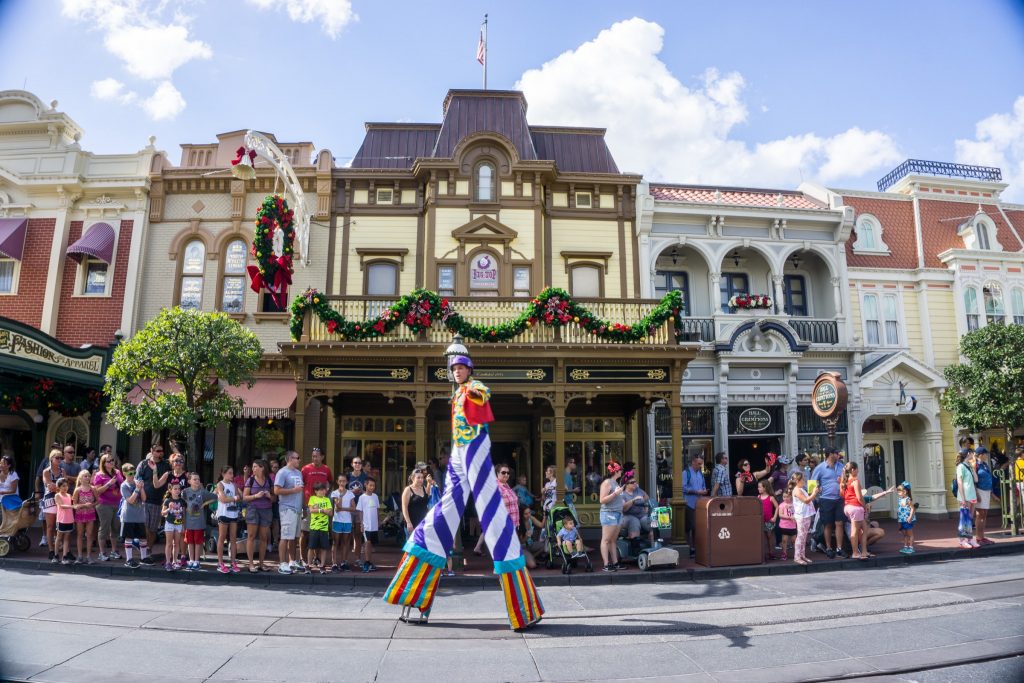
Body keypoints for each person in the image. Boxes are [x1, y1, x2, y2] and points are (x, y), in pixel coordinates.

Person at [384, 349, 543, 631]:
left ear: (469, 370)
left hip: (475, 447)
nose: (457, 371)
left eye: (461, 367)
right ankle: (415, 593)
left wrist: (475, 393)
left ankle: (524, 607)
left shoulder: (472, 387)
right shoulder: (456, 393)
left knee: (491, 512)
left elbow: (483, 394)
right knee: (446, 508)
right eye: (454, 368)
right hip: (460, 449)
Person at [474, 464, 520, 556]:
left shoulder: (506, 486)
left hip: (512, 522)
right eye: (503, 472)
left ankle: (501, 567)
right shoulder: (496, 487)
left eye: (508, 473)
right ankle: (499, 568)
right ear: (497, 473)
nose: (506, 475)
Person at [135, 442, 170, 563]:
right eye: (158, 451)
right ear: (152, 451)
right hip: (144, 499)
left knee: (153, 528)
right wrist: (141, 491)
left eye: (162, 451)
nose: (160, 453)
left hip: (157, 501)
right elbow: (137, 478)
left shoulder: (165, 465)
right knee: (144, 525)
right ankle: (143, 549)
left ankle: (148, 548)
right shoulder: (143, 464)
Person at [810, 448, 847, 559]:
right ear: (830, 455)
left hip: (840, 499)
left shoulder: (841, 466)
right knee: (828, 524)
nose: (838, 455)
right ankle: (829, 548)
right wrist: (817, 494)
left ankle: (839, 549)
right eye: (836, 453)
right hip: (826, 499)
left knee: (840, 523)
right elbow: (811, 484)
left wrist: (843, 481)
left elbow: (847, 480)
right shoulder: (820, 468)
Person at [300, 447, 332, 567]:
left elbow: (331, 482)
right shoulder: (305, 469)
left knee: (319, 533)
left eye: (317, 456)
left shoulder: (326, 469)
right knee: (305, 533)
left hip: (322, 507)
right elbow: (301, 485)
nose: (315, 458)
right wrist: (303, 504)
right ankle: (302, 558)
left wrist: (326, 495)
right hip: (309, 505)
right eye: (313, 456)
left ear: (322, 457)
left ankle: (317, 558)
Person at [274, 450, 304, 574]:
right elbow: (276, 490)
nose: (299, 460)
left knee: (294, 537)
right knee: (285, 536)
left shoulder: (298, 473)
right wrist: (293, 490)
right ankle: (282, 563)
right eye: (297, 458)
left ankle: (292, 561)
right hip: (287, 508)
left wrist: (303, 507)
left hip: (297, 509)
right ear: (290, 459)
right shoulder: (282, 472)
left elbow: (300, 491)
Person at [242, 459, 274, 572]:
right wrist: (256, 496)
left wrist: (269, 496)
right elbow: (245, 497)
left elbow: (275, 498)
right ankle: (251, 564)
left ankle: (261, 563)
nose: (253, 469)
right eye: (253, 466)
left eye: (256, 467)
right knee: (251, 536)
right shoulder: (250, 480)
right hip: (253, 510)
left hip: (266, 510)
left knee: (264, 537)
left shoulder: (269, 481)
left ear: (262, 468)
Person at [91, 453, 122, 561]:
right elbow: (97, 491)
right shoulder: (99, 475)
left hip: (117, 503)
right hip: (104, 504)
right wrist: (109, 484)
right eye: (109, 461)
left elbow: (122, 485)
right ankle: (102, 553)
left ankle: (114, 551)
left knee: (115, 528)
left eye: (112, 460)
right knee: (104, 528)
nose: (112, 462)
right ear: (103, 464)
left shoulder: (117, 472)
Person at [183, 472, 216, 571]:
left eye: (198, 479)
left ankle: (197, 561)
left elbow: (215, 497)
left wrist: (204, 503)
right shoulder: (185, 491)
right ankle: (191, 560)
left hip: (199, 522)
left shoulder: (203, 491)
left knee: (198, 542)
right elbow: (182, 501)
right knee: (190, 542)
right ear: (189, 481)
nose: (197, 481)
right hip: (189, 522)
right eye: (194, 479)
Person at [119, 463, 148, 568]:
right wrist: (137, 489)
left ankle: (144, 558)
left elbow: (144, 499)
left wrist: (142, 488)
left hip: (139, 515)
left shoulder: (137, 483)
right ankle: (129, 559)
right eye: (130, 473)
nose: (132, 475)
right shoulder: (124, 485)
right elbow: (130, 500)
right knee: (129, 538)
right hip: (129, 516)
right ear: (124, 473)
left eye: (134, 473)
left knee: (143, 538)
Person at [598, 461, 625, 572]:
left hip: (617, 513)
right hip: (609, 513)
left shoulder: (615, 483)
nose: (622, 472)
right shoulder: (607, 483)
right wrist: (615, 494)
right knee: (606, 540)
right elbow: (602, 500)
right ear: (616, 471)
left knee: (613, 540)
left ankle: (615, 562)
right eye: (620, 470)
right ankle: (606, 564)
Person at [214, 466, 241, 573]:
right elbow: (223, 499)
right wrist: (234, 498)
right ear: (223, 474)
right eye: (229, 473)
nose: (232, 475)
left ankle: (233, 562)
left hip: (233, 514)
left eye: (232, 473)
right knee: (222, 537)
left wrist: (235, 497)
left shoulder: (234, 484)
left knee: (233, 539)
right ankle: (220, 563)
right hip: (223, 514)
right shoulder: (220, 484)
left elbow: (240, 496)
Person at [840, 462, 868, 560]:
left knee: (865, 529)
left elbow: (842, 495)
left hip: (848, 507)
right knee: (855, 531)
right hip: (856, 507)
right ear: (853, 470)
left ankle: (864, 551)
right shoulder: (855, 481)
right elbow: (859, 497)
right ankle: (855, 552)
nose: (858, 471)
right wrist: (865, 507)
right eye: (857, 469)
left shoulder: (844, 481)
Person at [790, 473, 818, 565]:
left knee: (804, 536)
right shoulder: (797, 490)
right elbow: (806, 500)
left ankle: (802, 555)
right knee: (800, 536)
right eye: (803, 479)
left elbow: (807, 499)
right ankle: (797, 557)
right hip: (801, 516)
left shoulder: (800, 489)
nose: (804, 481)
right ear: (797, 481)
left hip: (805, 515)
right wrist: (814, 493)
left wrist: (813, 492)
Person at [683, 455, 708, 559]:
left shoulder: (700, 474)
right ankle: (689, 548)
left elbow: (703, 486)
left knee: (697, 528)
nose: (700, 466)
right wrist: (696, 491)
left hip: (699, 504)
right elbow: (683, 487)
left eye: (701, 464)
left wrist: (704, 490)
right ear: (693, 462)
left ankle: (696, 547)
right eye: (698, 464)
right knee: (689, 527)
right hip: (689, 503)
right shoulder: (686, 473)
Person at [41, 450, 63, 562]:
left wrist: (57, 487)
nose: (59, 460)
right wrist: (58, 487)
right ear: (51, 458)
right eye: (57, 458)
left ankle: (58, 548)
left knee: (60, 526)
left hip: (61, 500)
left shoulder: (62, 471)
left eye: (61, 458)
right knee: (50, 526)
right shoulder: (46, 471)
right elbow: (49, 486)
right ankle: (51, 550)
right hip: (50, 500)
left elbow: (65, 486)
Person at [330, 474, 356, 571]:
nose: (342, 483)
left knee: (345, 542)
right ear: (337, 482)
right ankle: (334, 563)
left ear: (347, 482)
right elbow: (337, 507)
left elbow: (353, 508)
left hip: (347, 521)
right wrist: (340, 495)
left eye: (344, 481)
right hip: (337, 520)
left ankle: (344, 562)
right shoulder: (334, 493)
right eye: (340, 481)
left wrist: (344, 509)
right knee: (335, 542)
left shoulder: (350, 494)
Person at [306, 481, 332, 574]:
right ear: (316, 491)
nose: (322, 491)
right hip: (314, 527)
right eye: (320, 490)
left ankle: (322, 565)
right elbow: (311, 510)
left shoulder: (327, 500)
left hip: (324, 528)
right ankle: (309, 565)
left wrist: (318, 510)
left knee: (324, 548)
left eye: (324, 490)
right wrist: (322, 510)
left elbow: (330, 512)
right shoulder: (312, 498)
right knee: (311, 547)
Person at [72, 470, 97, 564]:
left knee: (90, 534)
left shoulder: (93, 488)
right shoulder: (77, 489)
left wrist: (92, 505)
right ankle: (80, 556)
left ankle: (89, 556)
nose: (87, 478)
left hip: (90, 513)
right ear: (80, 478)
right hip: (80, 513)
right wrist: (83, 505)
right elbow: (74, 504)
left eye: (88, 476)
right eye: (85, 476)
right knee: (80, 534)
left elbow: (98, 501)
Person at [955, 449, 979, 549]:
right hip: (965, 495)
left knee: (970, 519)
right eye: (972, 453)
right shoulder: (960, 466)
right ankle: (962, 540)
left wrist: (973, 467)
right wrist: (963, 498)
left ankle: (969, 538)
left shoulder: (969, 465)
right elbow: (959, 482)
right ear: (968, 454)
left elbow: (976, 479)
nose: (973, 455)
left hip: (972, 494)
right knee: (964, 518)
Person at [356, 477, 380, 572]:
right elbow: (360, 511)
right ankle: (366, 562)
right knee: (367, 543)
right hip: (366, 525)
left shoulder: (375, 496)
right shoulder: (362, 497)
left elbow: (377, 509)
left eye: (373, 486)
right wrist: (361, 523)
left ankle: (369, 562)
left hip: (374, 525)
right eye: (370, 485)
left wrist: (378, 521)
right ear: (366, 485)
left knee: (371, 545)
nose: (372, 487)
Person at [974, 447, 996, 545]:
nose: (987, 455)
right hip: (979, 490)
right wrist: (976, 493)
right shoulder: (975, 465)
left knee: (984, 514)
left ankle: (982, 536)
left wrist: (992, 493)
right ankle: (978, 537)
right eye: (985, 454)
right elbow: (973, 480)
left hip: (986, 491)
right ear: (980, 455)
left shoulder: (985, 465)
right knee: (980, 515)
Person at [161, 482, 185, 571]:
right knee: (169, 543)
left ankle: (175, 561)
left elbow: (184, 513)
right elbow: (162, 513)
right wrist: (169, 509)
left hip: (178, 524)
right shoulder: (167, 500)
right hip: (169, 523)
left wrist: (183, 525)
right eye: (175, 489)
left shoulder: (182, 501)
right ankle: (168, 562)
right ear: (170, 490)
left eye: (179, 489)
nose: (177, 491)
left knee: (176, 543)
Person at [401, 469, 429, 541]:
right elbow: (404, 507)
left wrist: (430, 483)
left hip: (423, 523)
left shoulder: (424, 489)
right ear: (413, 478)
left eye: (422, 478)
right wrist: (408, 522)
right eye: (418, 478)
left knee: (421, 547)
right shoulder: (408, 489)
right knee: (412, 547)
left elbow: (430, 502)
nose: (421, 480)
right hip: (412, 522)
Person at [54, 477, 75, 565]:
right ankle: (55, 556)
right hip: (61, 520)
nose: (65, 488)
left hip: (70, 520)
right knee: (59, 538)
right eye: (63, 486)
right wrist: (73, 506)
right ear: (59, 487)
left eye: (66, 486)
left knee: (66, 538)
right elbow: (62, 506)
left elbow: (74, 504)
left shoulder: (69, 495)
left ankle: (65, 557)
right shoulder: (57, 495)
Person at [757, 480, 779, 561]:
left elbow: (777, 507)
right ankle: (765, 553)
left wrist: (775, 517)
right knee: (763, 538)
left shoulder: (771, 497)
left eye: (760, 487)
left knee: (770, 537)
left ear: (765, 488)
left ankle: (771, 553)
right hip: (761, 521)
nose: (758, 488)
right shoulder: (758, 497)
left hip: (769, 521)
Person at [777, 489, 796, 561]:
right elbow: (780, 515)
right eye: (784, 497)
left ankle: (796, 554)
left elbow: (796, 513)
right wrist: (789, 517)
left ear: (791, 496)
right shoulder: (781, 505)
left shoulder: (794, 504)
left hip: (793, 526)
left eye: (787, 497)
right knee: (784, 540)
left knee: (794, 540)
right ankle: (784, 553)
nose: (785, 498)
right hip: (784, 526)